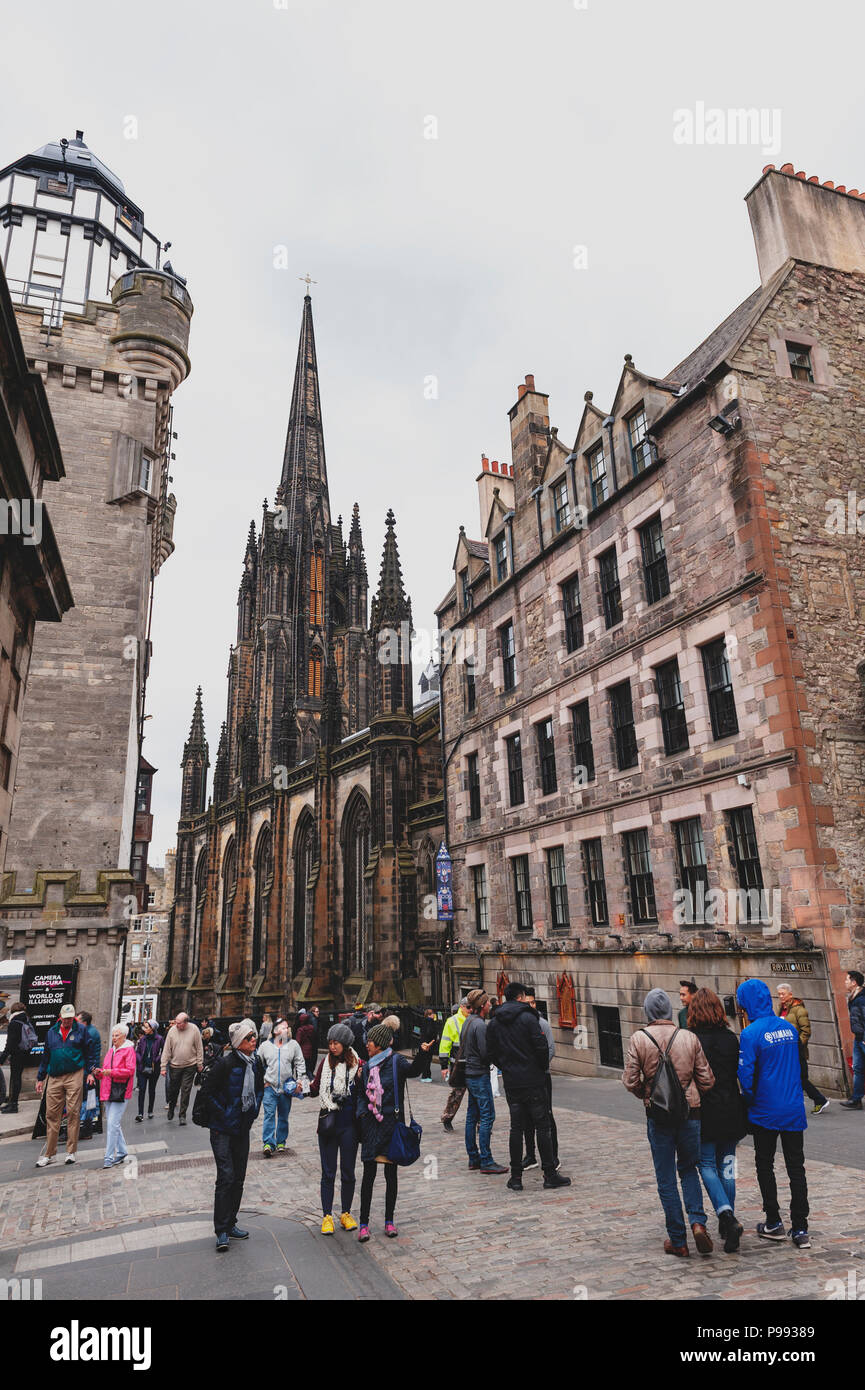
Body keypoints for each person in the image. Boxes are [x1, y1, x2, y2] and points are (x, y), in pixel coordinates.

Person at [623, 987, 715, 1256]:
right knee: (688, 1169)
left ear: (648, 1012)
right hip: (690, 1113)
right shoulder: (688, 1036)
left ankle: (678, 1240)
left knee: (666, 1178)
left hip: (658, 1115)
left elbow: (629, 1081)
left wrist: (647, 1094)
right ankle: (698, 1223)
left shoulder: (639, 1038)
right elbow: (708, 1080)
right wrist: (689, 1091)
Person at [737, 978, 810, 1249]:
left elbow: (745, 1076)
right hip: (792, 1108)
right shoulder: (788, 1029)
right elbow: (800, 1068)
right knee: (796, 1168)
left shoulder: (751, 1033)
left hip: (765, 1110)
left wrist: (749, 1101)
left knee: (765, 1165)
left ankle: (774, 1221)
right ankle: (801, 1228)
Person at [486, 982, 571, 1192]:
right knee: (542, 1126)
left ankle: (516, 1177)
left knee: (517, 1128)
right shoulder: (528, 1018)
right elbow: (541, 1047)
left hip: (512, 1081)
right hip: (533, 1079)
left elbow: (491, 1052)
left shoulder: (495, 1022)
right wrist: (539, 1068)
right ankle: (549, 1174)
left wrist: (505, 1067)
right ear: (521, 996)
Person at [355, 1023, 435, 1241]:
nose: (366, 1045)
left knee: (391, 1175)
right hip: (372, 1125)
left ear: (378, 1044)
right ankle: (364, 1223)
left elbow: (414, 1071)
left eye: (369, 1041)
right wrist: (362, 1115)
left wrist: (423, 1054)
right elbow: (362, 1095)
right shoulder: (366, 1066)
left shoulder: (396, 1061)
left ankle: (389, 1221)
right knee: (369, 1175)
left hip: (392, 1123)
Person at [687, 987, 746, 1252]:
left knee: (707, 1165)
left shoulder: (692, 1039)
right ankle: (727, 1222)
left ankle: (727, 1216)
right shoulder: (730, 1037)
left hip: (706, 1111)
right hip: (732, 1107)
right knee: (728, 1165)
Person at [200, 1019, 265, 1252]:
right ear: (239, 1043)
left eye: (253, 1036)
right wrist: (225, 1113)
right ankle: (221, 1230)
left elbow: (259, 1088)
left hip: (242, 1129)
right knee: (226, 1177)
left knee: (238, 1178)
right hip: (222, 1129)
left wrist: (254, 1110)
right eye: (249, 1038)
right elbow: (207, 1093)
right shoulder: (224, 1065)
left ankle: (232, 1221)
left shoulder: (255, 1063)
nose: (254, 1040)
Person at [307, 1023, 362, 1234]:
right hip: (329, 1125)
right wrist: (302, 1088)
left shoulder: (357, 1065)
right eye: (329, 1043)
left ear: (345, 1044)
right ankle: (327, 1216)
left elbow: (364, 1092)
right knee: (328, 1173)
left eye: (335, 1043)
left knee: (348, 1172)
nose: (332, 1047)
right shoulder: (325, 1064)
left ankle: (346, 1213)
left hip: (349, 1126)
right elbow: (314, 1088)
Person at [35, 1004, 99, 1168]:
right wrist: (40, 1078)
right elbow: (46, 1056)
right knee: (52, 1114)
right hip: (55, 1076)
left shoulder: (81, 1030)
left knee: (73, 1112)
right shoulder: (51, 1032)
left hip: (74, 1074)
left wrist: (91, 1071)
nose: (68, 1020)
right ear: (60, 1016)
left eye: (71, 1018)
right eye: (66, 1018)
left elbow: (90, 1052)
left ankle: (71, 1151)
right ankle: (49, 1153)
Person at [460, 989, 507, 1174]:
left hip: (470, 1074)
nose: (489, 1005)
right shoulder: (479, 1025)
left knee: (472, 1116)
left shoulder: (468, 1022)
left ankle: (473, 1157)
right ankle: (486, 1160)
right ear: (482, 1005)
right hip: (479, 1074)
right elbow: (485, 1053)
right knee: (487, 1116)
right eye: (487, 1002)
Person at [776, 984, 829, 1115]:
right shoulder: (781, 1009)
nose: (781, 996)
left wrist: (797, 1045)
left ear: (790, 994)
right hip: (787, 1051)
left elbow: (806, 1031)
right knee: (792, 1078)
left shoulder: (799, 1010)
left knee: (801, 1078)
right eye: (779, 994)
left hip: (797, 1051)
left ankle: (819, 1100)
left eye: (783, 993)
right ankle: (798, 1102)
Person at [521, 987, 559, 1171]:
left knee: (546, 1116)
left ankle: (554, 1156)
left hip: (542, 1077)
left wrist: (538, 1068)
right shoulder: (520, 1024)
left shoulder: (542, 1023)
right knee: (527, 1118)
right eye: (527, 1003)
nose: (531, 1006)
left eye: (533, 1002)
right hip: (526, 1078)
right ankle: (530, 1155)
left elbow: (551, 1049)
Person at [258, 1021, 305, 1155]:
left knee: (284, 1116)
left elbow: (300, 1062)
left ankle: (280, 1142)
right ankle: (268, 1143)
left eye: (287, 1027)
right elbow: (258, 1065)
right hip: (270, 1087)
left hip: (286, 1087)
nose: (287, 1029)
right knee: (269, 1115)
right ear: (275, 1031)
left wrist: (300, 1081)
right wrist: (262, 1081)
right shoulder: (265, 1046)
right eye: (284, 1027)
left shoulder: (293, 1045)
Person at [96, 1023, 137, 1168]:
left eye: (117, 1035)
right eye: (113, 1035)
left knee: (112, 1124)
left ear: (124, 1036)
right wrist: (100, 1073)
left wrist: (110, 1072)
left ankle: (108, 1157)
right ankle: (121, 1151)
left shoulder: (128, 1051)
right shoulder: (111, 1050)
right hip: (108, 1090)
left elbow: (130, 1071)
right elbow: (106, 1071)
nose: (114, 1038)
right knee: (113, 1123)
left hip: (120, 1090)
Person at [161, 1012, 204, 1124]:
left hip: (190, 1065)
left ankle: (182, 1115)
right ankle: (171, 1107)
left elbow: (199, 1047)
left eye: (179, 1023)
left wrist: (199, 1063)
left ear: (185, 1023)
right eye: (175, 1022)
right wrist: (163, 1066)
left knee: (186, 1090)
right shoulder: (172, 1030)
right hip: (175, 1066)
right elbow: (167, 1049)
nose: (176, 1024)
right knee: (173, 1090)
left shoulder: (194, 1029)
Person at [439, 999, 470, 1132]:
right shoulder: (452, 1021)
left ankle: (481, 1123)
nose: (471, 1009)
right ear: (462, 1007)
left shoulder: (475, 1019)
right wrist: (444, 1066)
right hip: (458, 1066)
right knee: (457, 1095)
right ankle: (447, 1119)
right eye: (468, 1007)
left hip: (474, 1064)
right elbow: (445, 1044)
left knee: (478, 1096)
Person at [0, 1000, 35, 1113]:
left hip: (16, 1054)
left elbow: (10, 1043)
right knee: (17, 1079)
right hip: (23, 1053)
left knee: (15, 1079)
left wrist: (3, 1058)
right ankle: (12, 1103)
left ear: (14, 1011)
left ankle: (13, 1105)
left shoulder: (14, 1022)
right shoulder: (26, 1020)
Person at [841, 970, 865, 1110]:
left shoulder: (861, 998)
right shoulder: (854, 997)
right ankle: (856, 1099)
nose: (845, 982)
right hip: (858, 1038)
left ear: (854, 982)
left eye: (847, 980)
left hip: (863, 1038)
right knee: (857, 1068)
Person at [76, 1011, 101, 1139]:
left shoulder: (89, 1033)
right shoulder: (89, 1031)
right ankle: (86, 1129)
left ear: (84, 1022)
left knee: (87, 1101)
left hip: (88, 1071)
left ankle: (86, 1130)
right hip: (88, 1070)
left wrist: (90, 1072)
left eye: (78, 1020)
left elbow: (89, 1055)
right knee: (87, 1100)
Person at [134, 1020, 163, 1122]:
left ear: (152, 1029)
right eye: (144, 1027)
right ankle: (140, 1113)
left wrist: (157, 1059)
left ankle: (150, 1111)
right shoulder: (142, 1039)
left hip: (154, 1068)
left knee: (151, 1090)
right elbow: (137, 1051)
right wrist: (139, 1058)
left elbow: (164, 1052)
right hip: (142, 1068)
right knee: (142, 1090)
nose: (144, 1029)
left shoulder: (159, 1039)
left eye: (146, 1027)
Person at [417, 1008, 438, 1082]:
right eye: (433, 1014)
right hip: (429, 1043)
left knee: (425, 1059)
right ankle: (426, 1076)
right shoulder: (430, 1021)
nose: (434, 1015)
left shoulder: (423, 1021)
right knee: (427, 1060)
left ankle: (426, 1075)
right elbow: (430, 1032)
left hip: (423, 1043)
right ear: (430, 1014)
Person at [295, 1012, 316, 1079]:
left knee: (303, 1068)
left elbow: (298, 1041)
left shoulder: (300, 1030)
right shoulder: (312, 1028)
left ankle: (311, 1080)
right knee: (307, 1067)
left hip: (302, 1051)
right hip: (310, 1050)